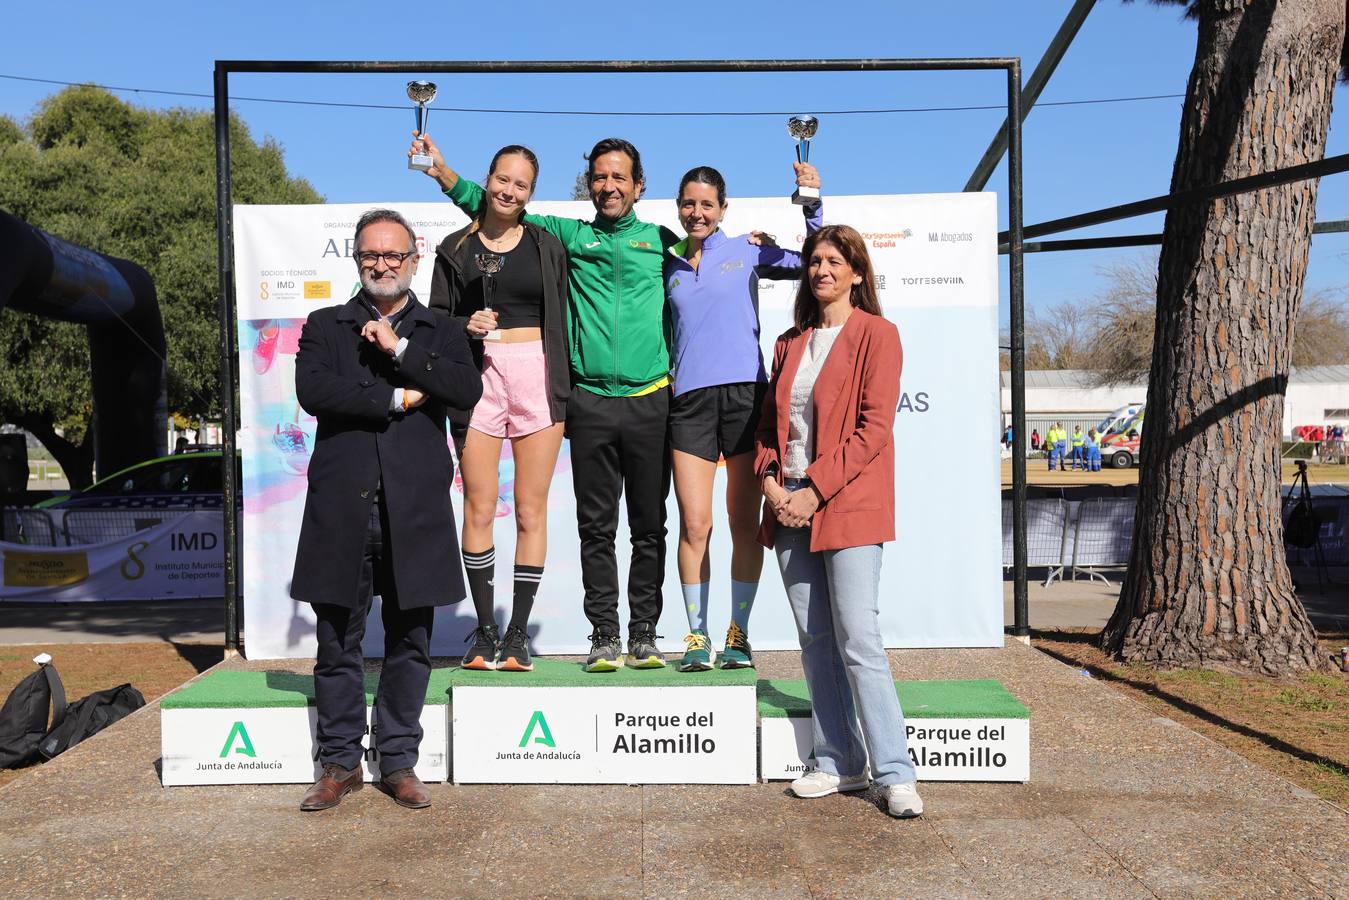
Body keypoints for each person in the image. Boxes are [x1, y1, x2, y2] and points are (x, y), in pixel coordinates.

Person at [415, 132, 675, 672]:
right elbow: (490, 207)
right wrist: (443, 174)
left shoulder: (660, 240)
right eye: (600, 177)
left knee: (638, 524)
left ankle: (627, 632)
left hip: (624, 393)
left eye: (619, 177)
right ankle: (503, 633)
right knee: (511, 512)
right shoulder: (566, 235)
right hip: (555, 391)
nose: (609, 186)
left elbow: (708, 254)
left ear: (639, 186)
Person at [290, 209, 482, 811]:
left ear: (413, 261)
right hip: (343, 507)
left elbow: (465, 390)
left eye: (393, 256)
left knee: (410, 642)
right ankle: (340, 762)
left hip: (415, 508)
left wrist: (399, 349)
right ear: (356, 260)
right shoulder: (327, 325)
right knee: (337, 644)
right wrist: (397, 396)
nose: (382, 264)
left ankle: (397, 761)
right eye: (371, 255)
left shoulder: (445, 331)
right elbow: (315, 392)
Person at [754, 224, 922, 819]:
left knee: (858, 640)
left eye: (834, 260)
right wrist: (774, 485)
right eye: (814, 260)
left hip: (846, 504)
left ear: (856, 272)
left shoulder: (879, 335)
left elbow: (874, 430)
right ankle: (837, 763)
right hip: (787, 505)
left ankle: (895, 772)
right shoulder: (788, 343)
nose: (821, 269)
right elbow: (769, 432)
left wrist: (814, 490)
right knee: (816, 641)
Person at [666, 163, 822, 672]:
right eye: (689, 203)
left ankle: (738, 633)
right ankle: (696, 636)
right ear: (678, 207)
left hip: (744, 399)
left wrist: (813, 206)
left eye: (707, 204)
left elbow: (814, 263)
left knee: (743, 523)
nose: (697, 212)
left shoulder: (748, 250)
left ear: (723, 209)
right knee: (695, 524)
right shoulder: (666, 264)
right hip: (688, 400)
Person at [428, 145, 570, 674]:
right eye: (502, 180)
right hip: (477, 377)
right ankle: (484, 631)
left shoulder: (548, 246)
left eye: (522, 185)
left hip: (538, 375)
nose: (509, 191)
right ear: (487, 181)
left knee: (531, 511)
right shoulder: (454, 248)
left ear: (531, 193)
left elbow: (566, 316)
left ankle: (517, 636)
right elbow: (435, 318)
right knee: (479, 507)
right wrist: (464, 325)